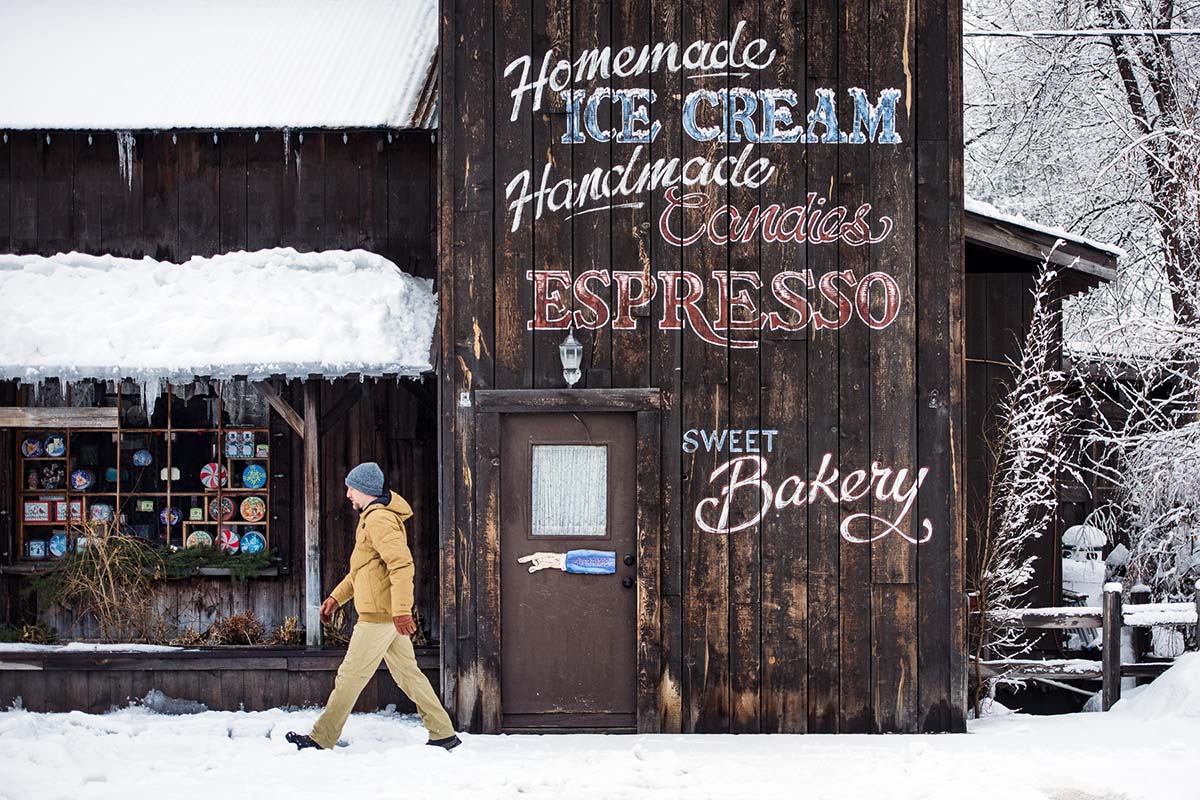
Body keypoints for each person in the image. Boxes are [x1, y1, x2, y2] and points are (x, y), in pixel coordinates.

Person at [286, 462, 460, 751]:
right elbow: (362, 571)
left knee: (350, 677)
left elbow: (401, 565)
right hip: (387, 617)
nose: (348, 494)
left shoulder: (379, 519)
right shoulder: (370, 518)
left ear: (365, 490)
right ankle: (442, 733)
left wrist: (402, 610)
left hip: (380, 618)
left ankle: (321, 738)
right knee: (409, 676)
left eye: (351, 488)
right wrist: (335, 599)